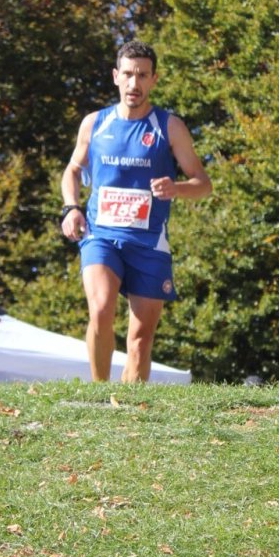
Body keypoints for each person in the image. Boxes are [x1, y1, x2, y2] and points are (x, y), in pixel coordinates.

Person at [61, 41, 212, 382]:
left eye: (143, 75)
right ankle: (100, 392)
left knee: (140, 342)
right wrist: (71, 208)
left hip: (149, 243)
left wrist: (177, 188)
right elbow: (72, 170)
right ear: (116, 76)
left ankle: (130, 409)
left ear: (154, 79)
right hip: (101, 235)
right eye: (128, 74)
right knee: (101, 309)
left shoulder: (168, 126)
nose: (134, 83)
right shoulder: (95, 123)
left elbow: (203, 183)